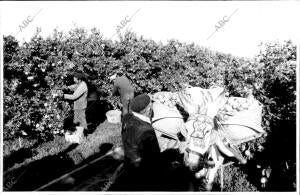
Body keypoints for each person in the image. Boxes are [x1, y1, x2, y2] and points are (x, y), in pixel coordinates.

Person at [120, 94, 163, 190]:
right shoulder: (147, 130)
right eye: (151, 106)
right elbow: (154, 159)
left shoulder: (126, 118)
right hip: (143, 174)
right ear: (148, 110)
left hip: (129, 164)